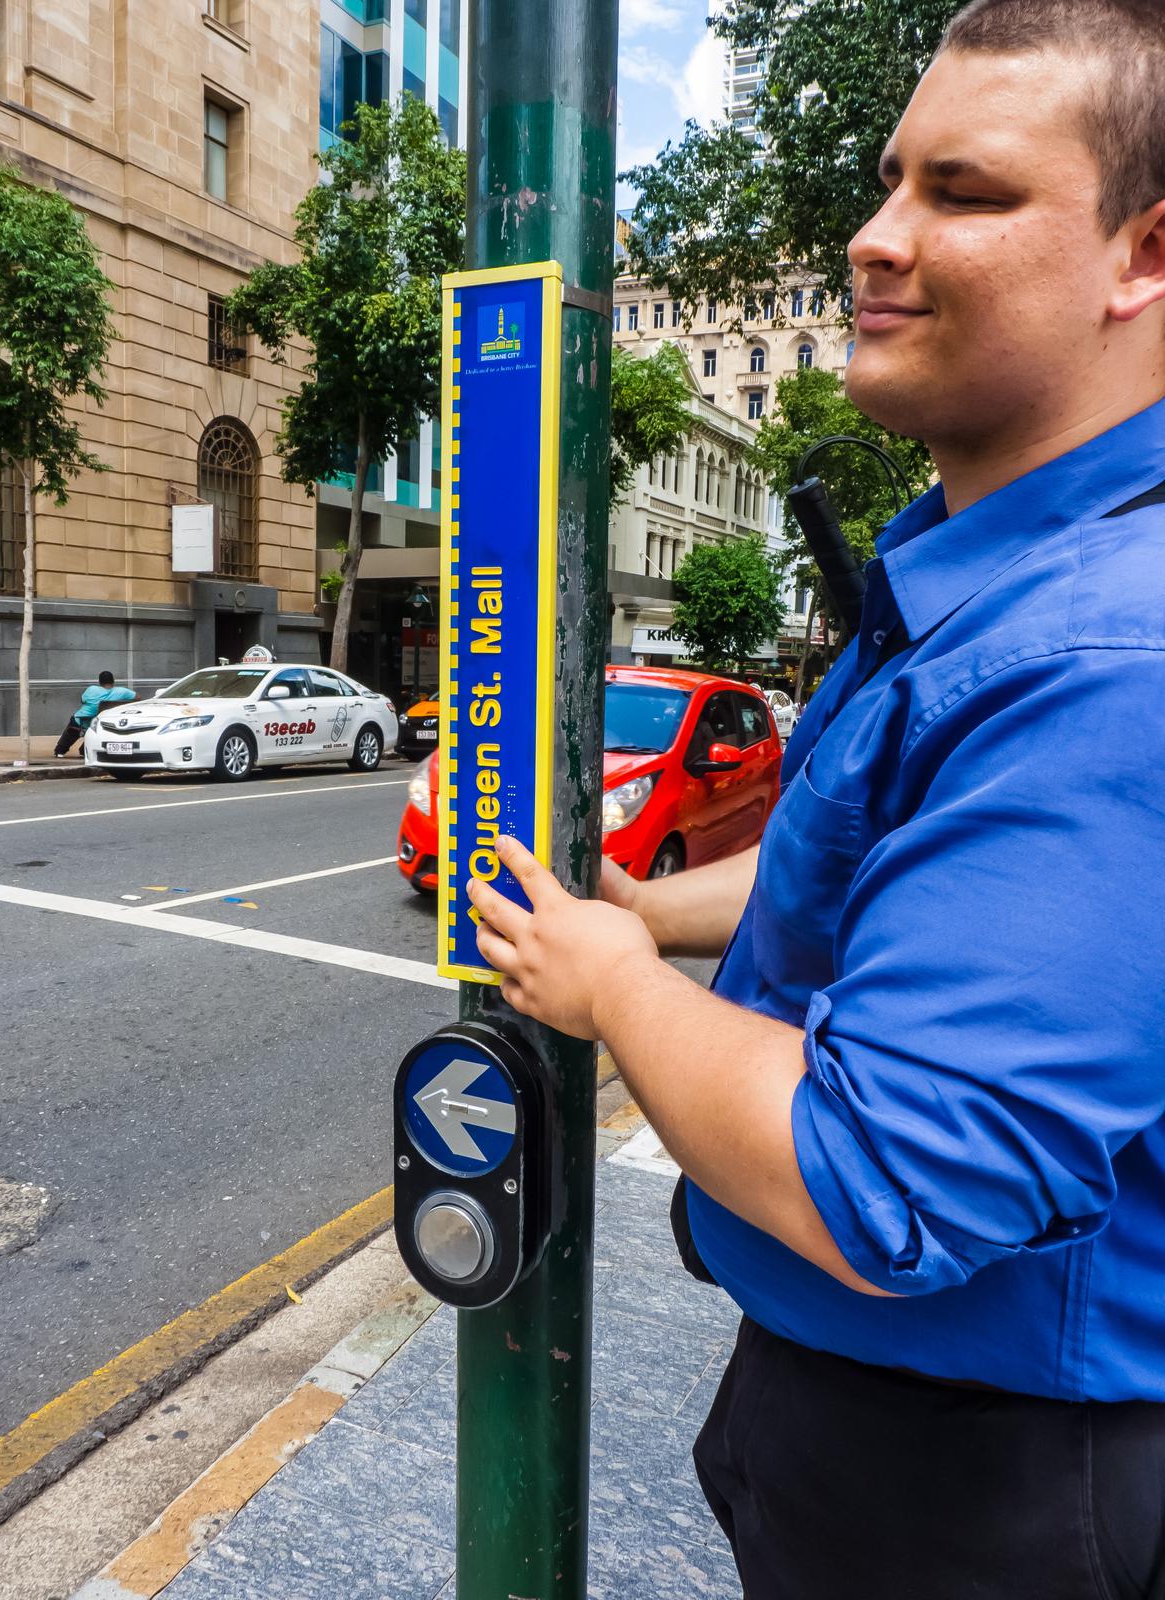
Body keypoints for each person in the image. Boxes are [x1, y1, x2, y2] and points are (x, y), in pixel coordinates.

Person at [466, 2, 1165, 1594]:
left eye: (964, 195)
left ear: (1144, 253)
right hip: (883, 1422)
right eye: (887, 181)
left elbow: (886, 1181)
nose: (874, 239)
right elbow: (861, 860)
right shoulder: (981, 568)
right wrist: (648, 907)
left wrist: (620, 989)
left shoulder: (1112, 650)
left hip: (990, 1473)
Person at [54, 670, 136, 757]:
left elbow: (82, 700)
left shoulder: (92, 689)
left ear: (99, 682)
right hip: (98, 723)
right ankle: (84, 751)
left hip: (80, 721)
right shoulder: (122, 692)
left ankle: (60, 751)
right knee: (94, 734)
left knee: (72, 728)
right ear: (113, 681)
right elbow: (138, 697)